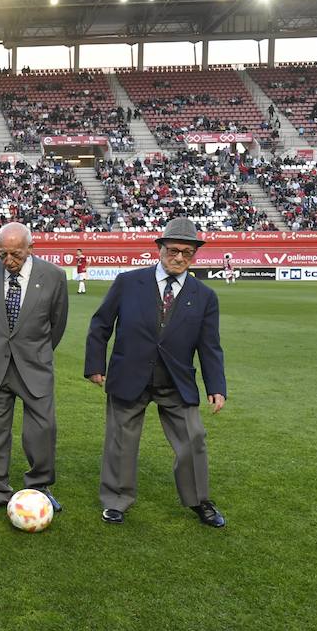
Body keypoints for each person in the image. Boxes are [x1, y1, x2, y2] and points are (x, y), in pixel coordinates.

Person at [84, 217, 227, 528]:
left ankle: (199, 500)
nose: (178, 258)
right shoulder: (127, 282)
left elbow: (210, 346)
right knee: (121, 441)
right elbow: (101, 325)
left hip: (176, 380)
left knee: (194, 439)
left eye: (187, 253)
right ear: (160, 248)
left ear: (194, 256)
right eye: (173, 250)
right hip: (129, 375)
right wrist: (95, 364)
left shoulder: (205, 296)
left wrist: (216, 385)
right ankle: (116, 501)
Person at [0, 222, 69, 514]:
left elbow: (58, 324)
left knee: (42, 430)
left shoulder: (54, 276)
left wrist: (35, 351)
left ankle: (39, 487)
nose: (9, 261)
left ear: (31, 248)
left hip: (34, 365)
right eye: (3, 254)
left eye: (16, 254)